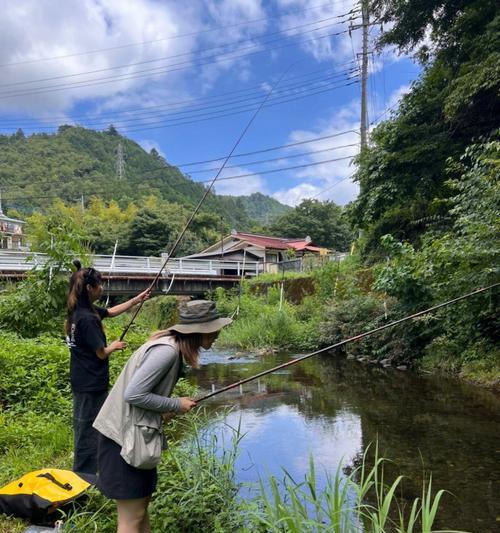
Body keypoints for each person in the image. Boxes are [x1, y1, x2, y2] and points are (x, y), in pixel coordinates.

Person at [93, 299, 232, 533]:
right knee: (131, 519)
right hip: (122, 441)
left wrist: (164, 412)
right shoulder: (167, 352)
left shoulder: (170, 347)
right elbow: (133, 394)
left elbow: (142, 399)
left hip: (133, 438)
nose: (217, 333)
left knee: (140, 511)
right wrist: (175, 404)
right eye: (214, 329)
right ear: (199, 332)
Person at [66, 260, 150, 475]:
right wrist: (113, 346)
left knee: (91, 426)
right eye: (99, 284)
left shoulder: (80, 310)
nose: (101, 288)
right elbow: (101, 352)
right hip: (90, 382)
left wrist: (135, 300)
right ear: (89, 288)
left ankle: (95, 469)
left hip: (83, 379)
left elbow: (111, 312)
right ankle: (83, 477)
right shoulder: (87, 319)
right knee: (88, 429)